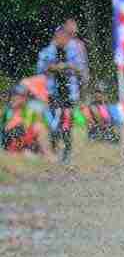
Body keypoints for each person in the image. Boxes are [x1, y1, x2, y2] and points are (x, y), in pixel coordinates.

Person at [37, 26, 84, 163]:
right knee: (53, 123)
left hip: (69, 95)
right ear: (56, 37)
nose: (64, 39)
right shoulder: (47, 52)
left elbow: (80, 69)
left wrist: (68, 66)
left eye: (66, 37)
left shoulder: (73, 52)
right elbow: (41, 69)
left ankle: (67, 152)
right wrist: (57, 67)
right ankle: (53, 150)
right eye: (61, 36)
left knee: (67, 124)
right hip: (53, 94)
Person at [0, 84, 53, 159]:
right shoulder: (7, 110)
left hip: (25, 139)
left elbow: (42, 127)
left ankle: (46, 154)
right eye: (14, 95)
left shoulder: (29, 110)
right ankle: (19, 153)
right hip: (10, 140)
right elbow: (6, 128)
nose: (15, 98)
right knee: (17, 127)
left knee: (39, 126)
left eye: (20, 96)